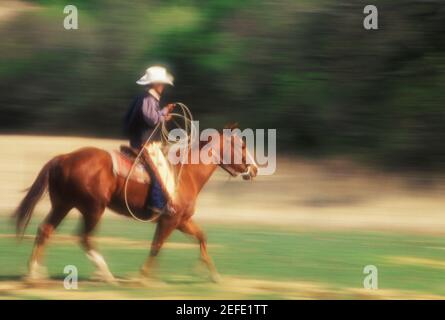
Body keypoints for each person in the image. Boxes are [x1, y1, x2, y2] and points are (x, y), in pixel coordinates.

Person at [124, 66, 176, 214]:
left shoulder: (148, 98)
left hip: (144, 141)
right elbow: (152, 120)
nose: (163, 87)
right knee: (158, 172)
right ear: (155, 84)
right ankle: (158, 204)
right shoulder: (148, 98)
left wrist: (164, 112)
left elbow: (152, 116)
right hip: (144, 143)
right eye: (162, 84)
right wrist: (164, 115)